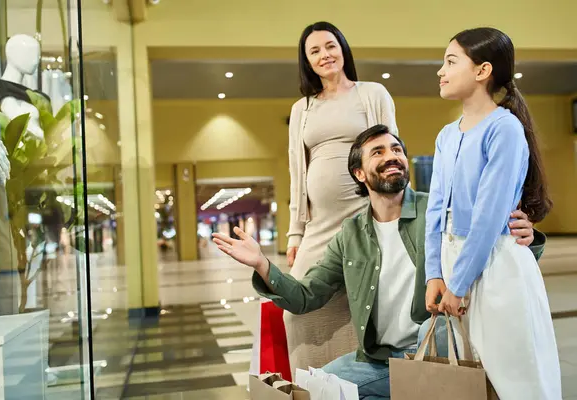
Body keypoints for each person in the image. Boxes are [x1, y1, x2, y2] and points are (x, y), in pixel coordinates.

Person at [213, 125, 544, 399]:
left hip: (435, 354)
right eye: (379, 152)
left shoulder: (440, 213)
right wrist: (261, 265)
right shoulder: (351, 234)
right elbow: (306, 296)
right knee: (314, 390)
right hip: (377, 360)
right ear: (359, 173)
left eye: (397, 149)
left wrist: (527, 239)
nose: (392, 157)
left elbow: (494, 250)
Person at [424, 28, 561, 399]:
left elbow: (488, 215)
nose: (441, 70)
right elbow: (435, 209)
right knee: (470, 380)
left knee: (519, 379)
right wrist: (434, 273)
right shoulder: (446, 135)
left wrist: (459, 281)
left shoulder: (505, 128)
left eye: (451, 61)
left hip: (497, 265)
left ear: (483, 70)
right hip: (455, 268)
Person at [284, 20, 399, 372]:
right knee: (299, 310)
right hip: (319, 224)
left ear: (343, 49)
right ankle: (313, 385)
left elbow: (392, 155)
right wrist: (295, 232)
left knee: (368, 306)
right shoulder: (301, 108)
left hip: (366, 218)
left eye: (330, 45)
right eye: (314, 51)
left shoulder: (372, 93)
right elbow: (297, 173)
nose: (324, 55)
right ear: (307, 61)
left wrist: (395, 220)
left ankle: (365, 383)